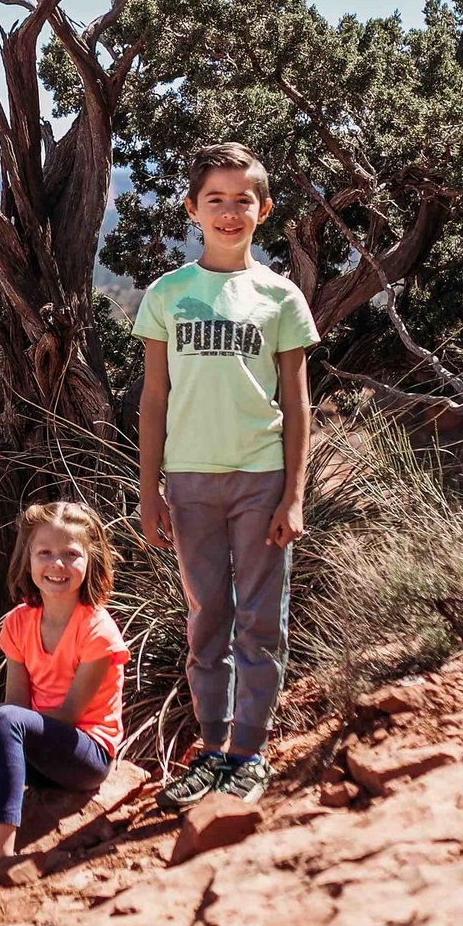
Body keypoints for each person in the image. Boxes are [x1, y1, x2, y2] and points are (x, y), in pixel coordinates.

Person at [133, 141, 318, 807]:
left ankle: (249, 753)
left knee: (261, 621)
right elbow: (153, 399)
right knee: (206, 617)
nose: (230, 210)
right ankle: (211, 749)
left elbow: (297, 404)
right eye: (216, 198)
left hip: (261, 477)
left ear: (262, 210)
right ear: (192, 209)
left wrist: (294, 494)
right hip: (187, 482)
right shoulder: (168, 294)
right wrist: (148, 490)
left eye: (243, 199)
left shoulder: (280, 297)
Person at [0, 499, 128, 886]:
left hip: (86, 755)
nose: (57, 565)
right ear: (27, 559)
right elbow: (18, 708)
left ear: (91, 560)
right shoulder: (19, 622)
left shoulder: (98, 631)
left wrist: (5, 718)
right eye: (44, 553)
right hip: (40, 747)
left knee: (5, 720)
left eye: (71, 554)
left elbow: (68, 716)